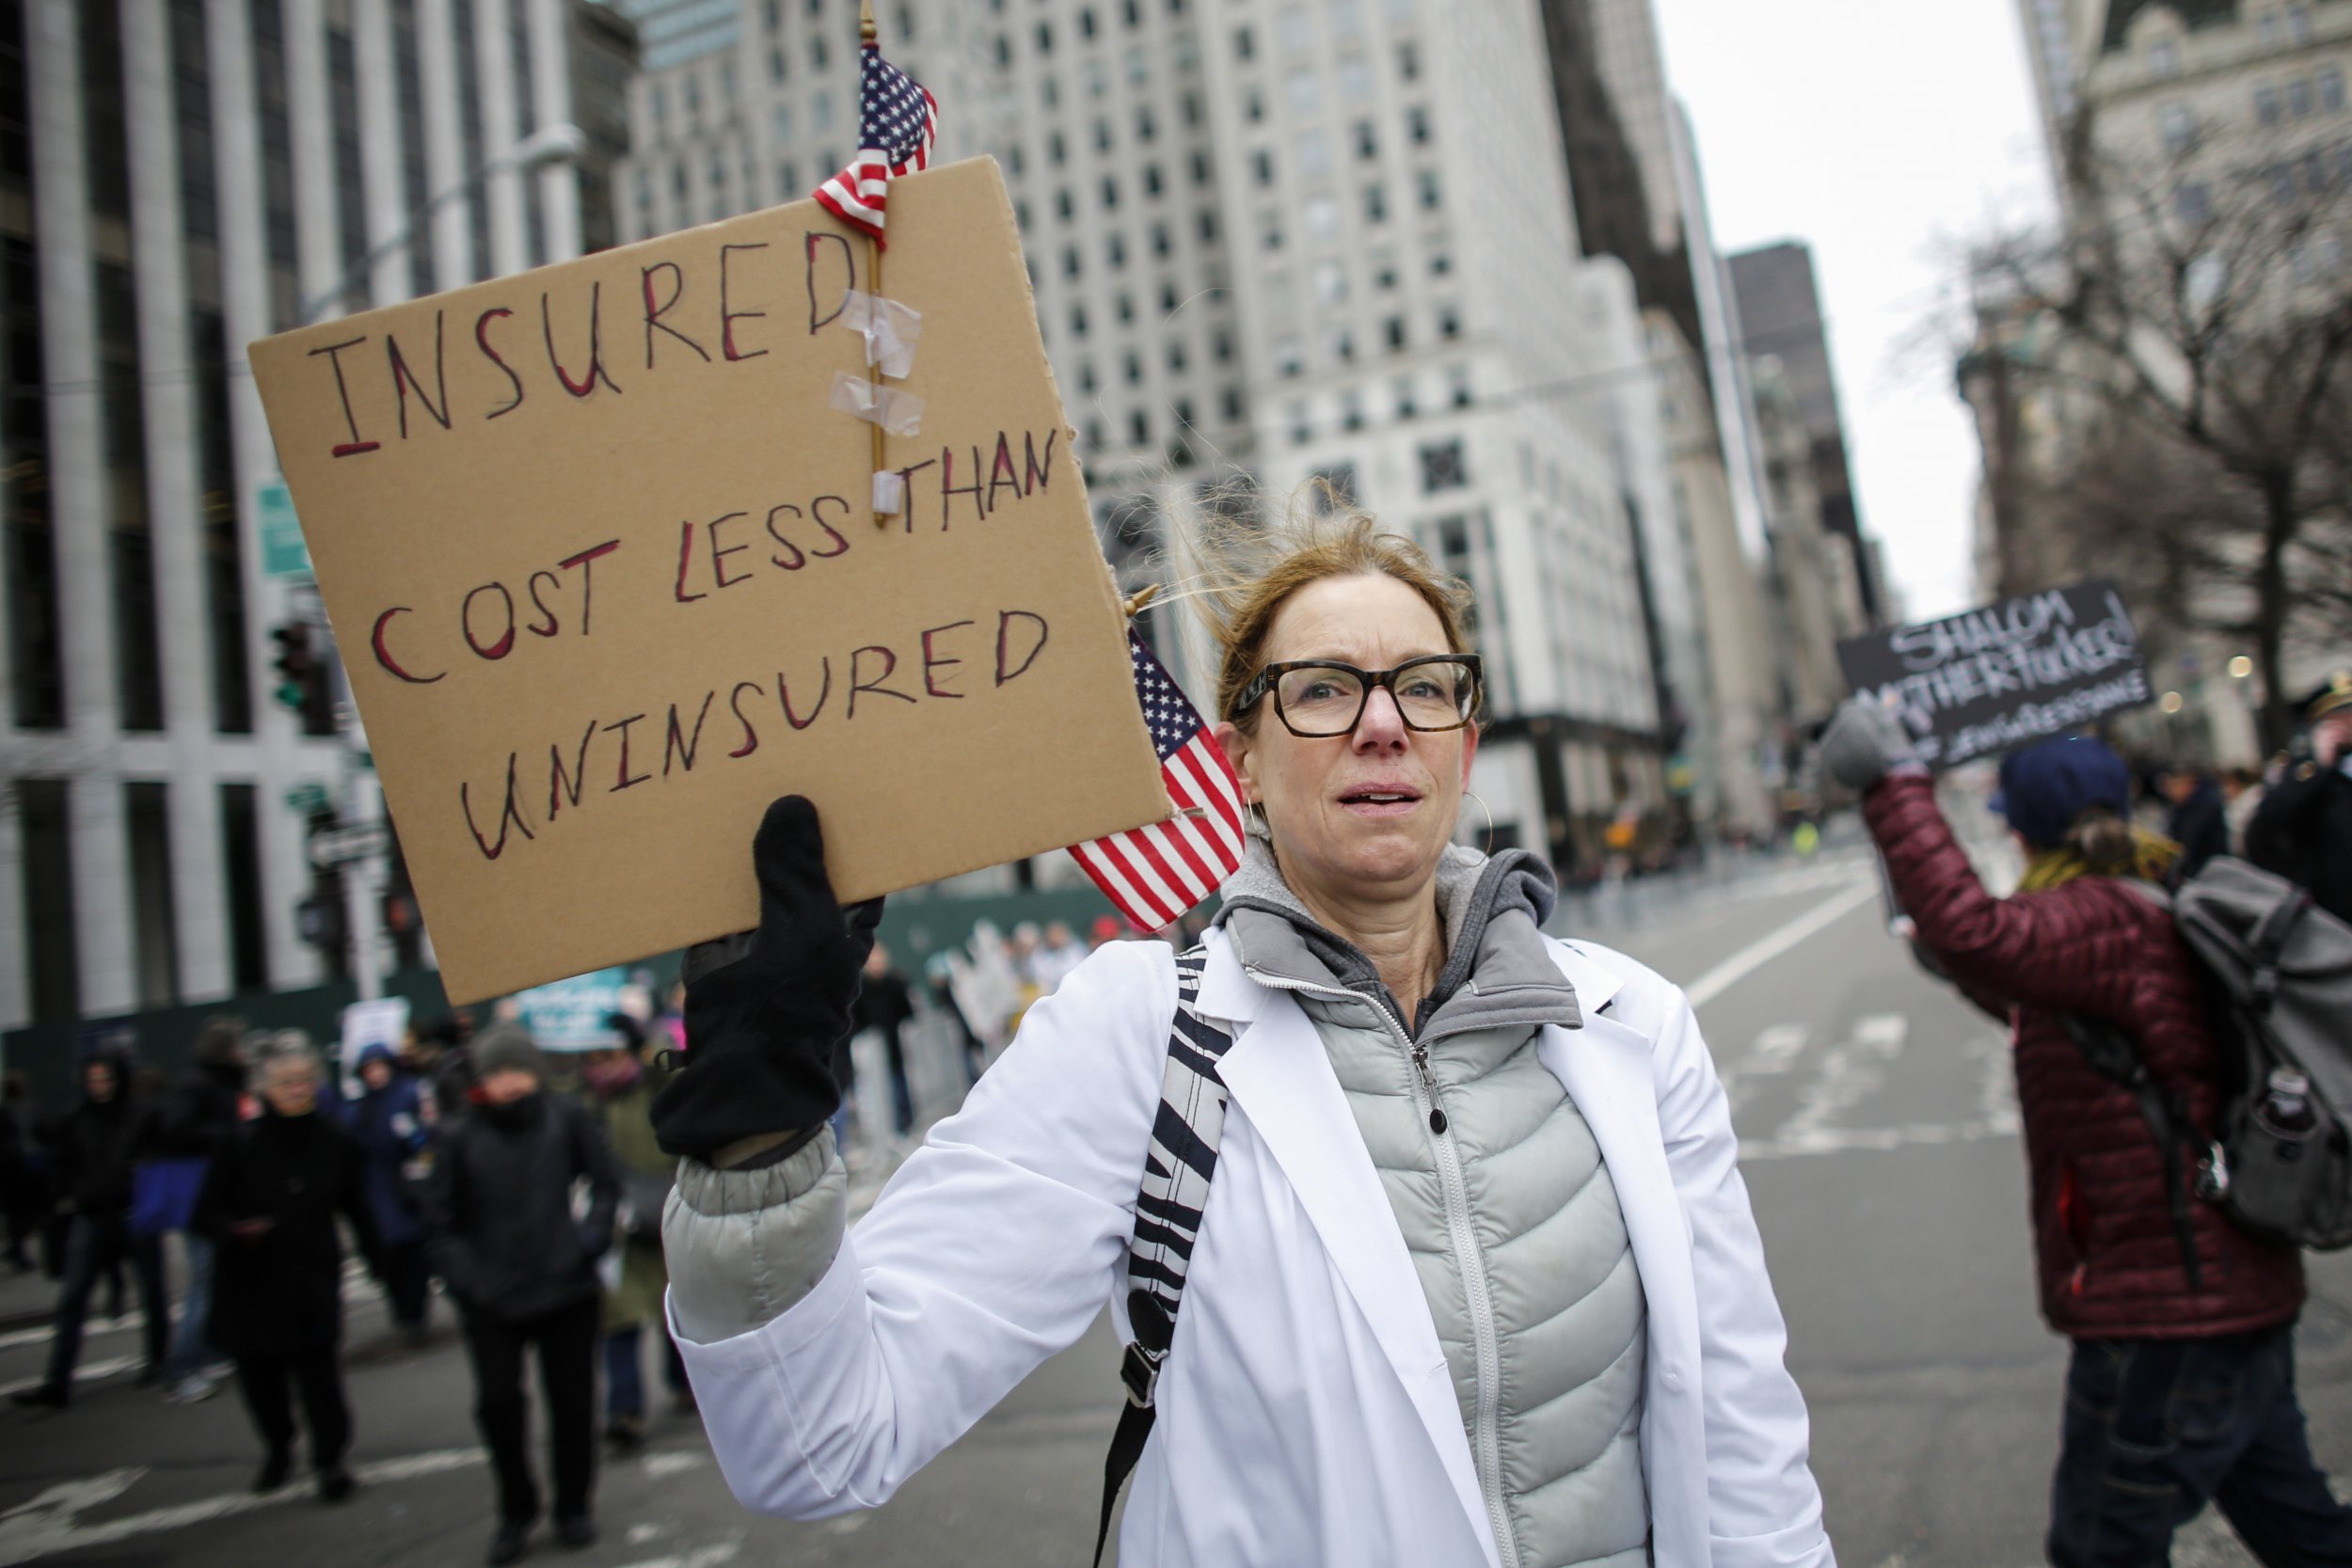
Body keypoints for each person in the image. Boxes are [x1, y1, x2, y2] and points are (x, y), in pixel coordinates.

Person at [653, 515, 1832, 1567]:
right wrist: (759, 1143)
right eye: (1321, 691)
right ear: (1241, 766)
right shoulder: (1134, 1033)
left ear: (1463, 749)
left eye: (1423, 686)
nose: (1381, 723)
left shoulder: (1634, 1024)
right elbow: (818, 1443)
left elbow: (1741, 1431)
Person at [1820, 706, 2344, 1565]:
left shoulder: (2097, 915)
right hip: (2223, 1286)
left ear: (2020, 827)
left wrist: (1895, 781)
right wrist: (1962, 968)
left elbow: (1976, 930)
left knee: (2101, 1547)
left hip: (2166, 1312)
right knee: (2304, 1534)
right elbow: (2080, 1025)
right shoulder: (2145, 896)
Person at [427, 1024, 621, 1566]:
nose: (508, 1083)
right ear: (480, 1081)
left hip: (568, 1290)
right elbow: (440, 1223)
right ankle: (516, 1510)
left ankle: (573, 1506)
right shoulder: (457, 1136)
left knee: (574, 1404)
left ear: (534, 1071)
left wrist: (589, 1243)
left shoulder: (568, 1116)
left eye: (516, 1070)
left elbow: (606, 1184)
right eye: (495, 1074)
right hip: (491, 1300)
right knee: (498, 1406)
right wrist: (468, 1281)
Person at [194, 1039, 379, 1499]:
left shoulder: (334, 1140)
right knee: (262, 1379)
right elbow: (203, 1213)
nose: (297, 1090)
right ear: (263, 1089)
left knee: (320, 1375)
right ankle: (278, 1447)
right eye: (285, 1083)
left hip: (312, 1275)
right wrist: (234, 1230)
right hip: (251, 1280)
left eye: (304, 1081)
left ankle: (330, 1460)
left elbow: (357, 1206)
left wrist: (380, 1258)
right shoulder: (239, 1143)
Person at [13, 1051, 167, 1409]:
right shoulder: (75, 1118)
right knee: (73, 1297)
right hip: (93, 1211)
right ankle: (57, 1381)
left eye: (105, 1079)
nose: (99, 1086)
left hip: (132, 1210)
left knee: (152, 1288)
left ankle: (157, 1359)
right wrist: (69, 1194)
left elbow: (160, 1151)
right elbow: (60, 1161)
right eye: (93, 1079)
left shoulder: (140, 1113)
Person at [582, 1021, 690, 1450]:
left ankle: (685, 1384)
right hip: (617, 1228)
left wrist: (651, 1050)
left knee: (675, 1309)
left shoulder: (651, 1086)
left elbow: (676, 1077)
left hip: (663, 1212)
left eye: (609, 1055)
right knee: (620, 1322)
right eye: (592, 1059)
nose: (601, 1067)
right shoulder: (585, 1102)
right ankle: (624, 1411)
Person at [152, 1019, 249, 1402]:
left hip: (215, 1194)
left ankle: (209, 1352)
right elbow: (175, 1129)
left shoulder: (216, 1083)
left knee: (218, 1279)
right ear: (226, 1050)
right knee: (204, 1283)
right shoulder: (198, 1085)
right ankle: (182, 1369)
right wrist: (226, 1134)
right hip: (203, 1198)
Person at [344, 1042, 434, 1347]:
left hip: (404, 1187)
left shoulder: (408, 1094)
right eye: (368, 1070)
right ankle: (403, 1312)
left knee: (414, 1254)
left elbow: (423, 1138)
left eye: (378, 1067)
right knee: (389, 1257)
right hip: (377, 1190)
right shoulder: (361, 1108)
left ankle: (414, 1315)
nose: (374, 1075)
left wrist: (418, 1153)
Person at [2247, 672, 2352, 925]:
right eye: (2339, 717)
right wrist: (2318, 766)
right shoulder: (2301, 772)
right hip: (2334, 908)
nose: (2349, 723)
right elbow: (2267, 828)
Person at [850, 943, 917, 1141]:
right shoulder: (861, 988)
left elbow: (907, 1014)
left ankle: (904, 1125)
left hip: (894, 1047)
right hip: (873, 1052)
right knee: (878, 1094)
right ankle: (886, 1134)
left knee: (899, 1087)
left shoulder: (896, 984)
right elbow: (857, 1020)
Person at [0, 1071, 44, 1272]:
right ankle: (17, 1249)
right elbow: (42, 1133)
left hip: (9, 1169)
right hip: (26, 1166)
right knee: (27, 1211)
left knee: (14, 1212)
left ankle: (15, 1248)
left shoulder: (5, 1110)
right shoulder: (30, 1107)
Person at [2155, 763, 2230, 880]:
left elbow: (2192, 843)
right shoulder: (2180, 808)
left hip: (2209, 873)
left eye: (2174, 785)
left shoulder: (2207, 806)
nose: (2170, 791)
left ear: (2189, 783)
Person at [1026, 920, 1089, 995]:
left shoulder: (1077, 951)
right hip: (1047, 994)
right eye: (1053, 934)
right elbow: (1038, 976)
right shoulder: (1038, 953)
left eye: (1059, 934)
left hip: (1073, 992)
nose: (1055, 937)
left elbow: (1080, 972)